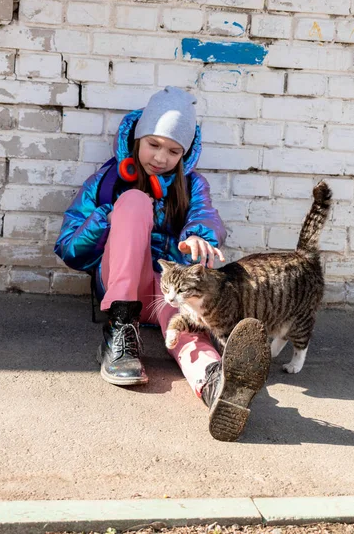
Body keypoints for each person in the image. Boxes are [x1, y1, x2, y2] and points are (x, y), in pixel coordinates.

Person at [54, 86, 270, 442]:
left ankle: (215, 382)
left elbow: (206, 216)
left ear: (184, 154)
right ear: (138, 138)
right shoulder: (107, 181)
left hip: (167, 294)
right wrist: (112, 216)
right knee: (135, 201)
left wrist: (198, 236)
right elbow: (69, 250)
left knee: (184, 324)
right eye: (153, 144)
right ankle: (120, 331)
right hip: (123, 287)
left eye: (173, 151)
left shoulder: (191, 184)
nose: (161, 157)